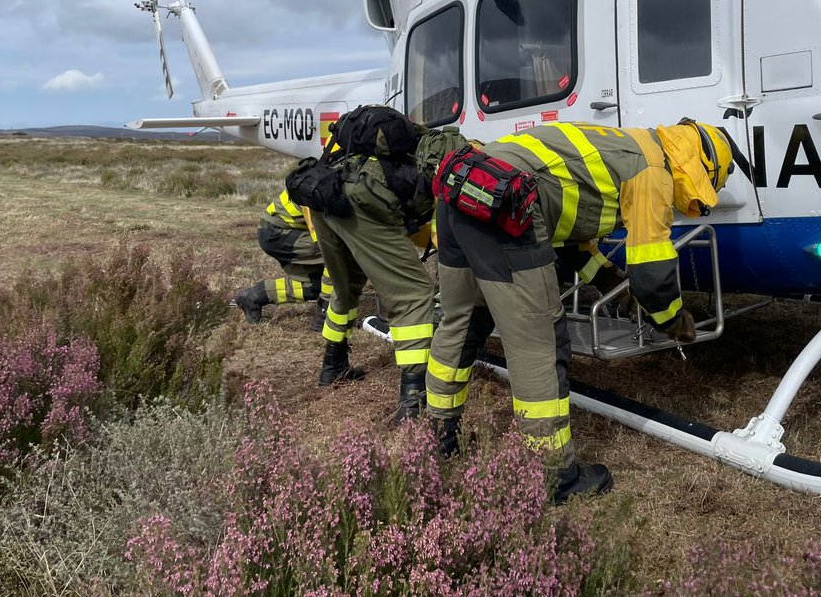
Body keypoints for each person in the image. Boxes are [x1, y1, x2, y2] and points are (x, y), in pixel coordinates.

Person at [425, 118, 732, 504]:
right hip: (508, 198)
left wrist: (608, 283)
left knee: (462, 321)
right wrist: (674, 320)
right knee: (539, 341)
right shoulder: (653, 170)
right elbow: (653, 275)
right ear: (705, 166)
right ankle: (553, 477)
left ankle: (437, 436)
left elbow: (569, 237)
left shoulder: (623, 143)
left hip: (464, 188)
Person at [306, 108, 454, 422]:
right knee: (414, 294)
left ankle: (332, 366)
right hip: (365, 200)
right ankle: (413, 400)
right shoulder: (450, 151)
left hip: (326, 194)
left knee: (345, 287)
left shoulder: (363, 145)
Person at [233, 187, 332, 327]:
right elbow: (326, 246)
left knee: (314, 286)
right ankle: (322, 319)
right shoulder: (319, 184)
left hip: (285, 232)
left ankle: (254, 296)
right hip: (278, 233)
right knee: (337, 255)